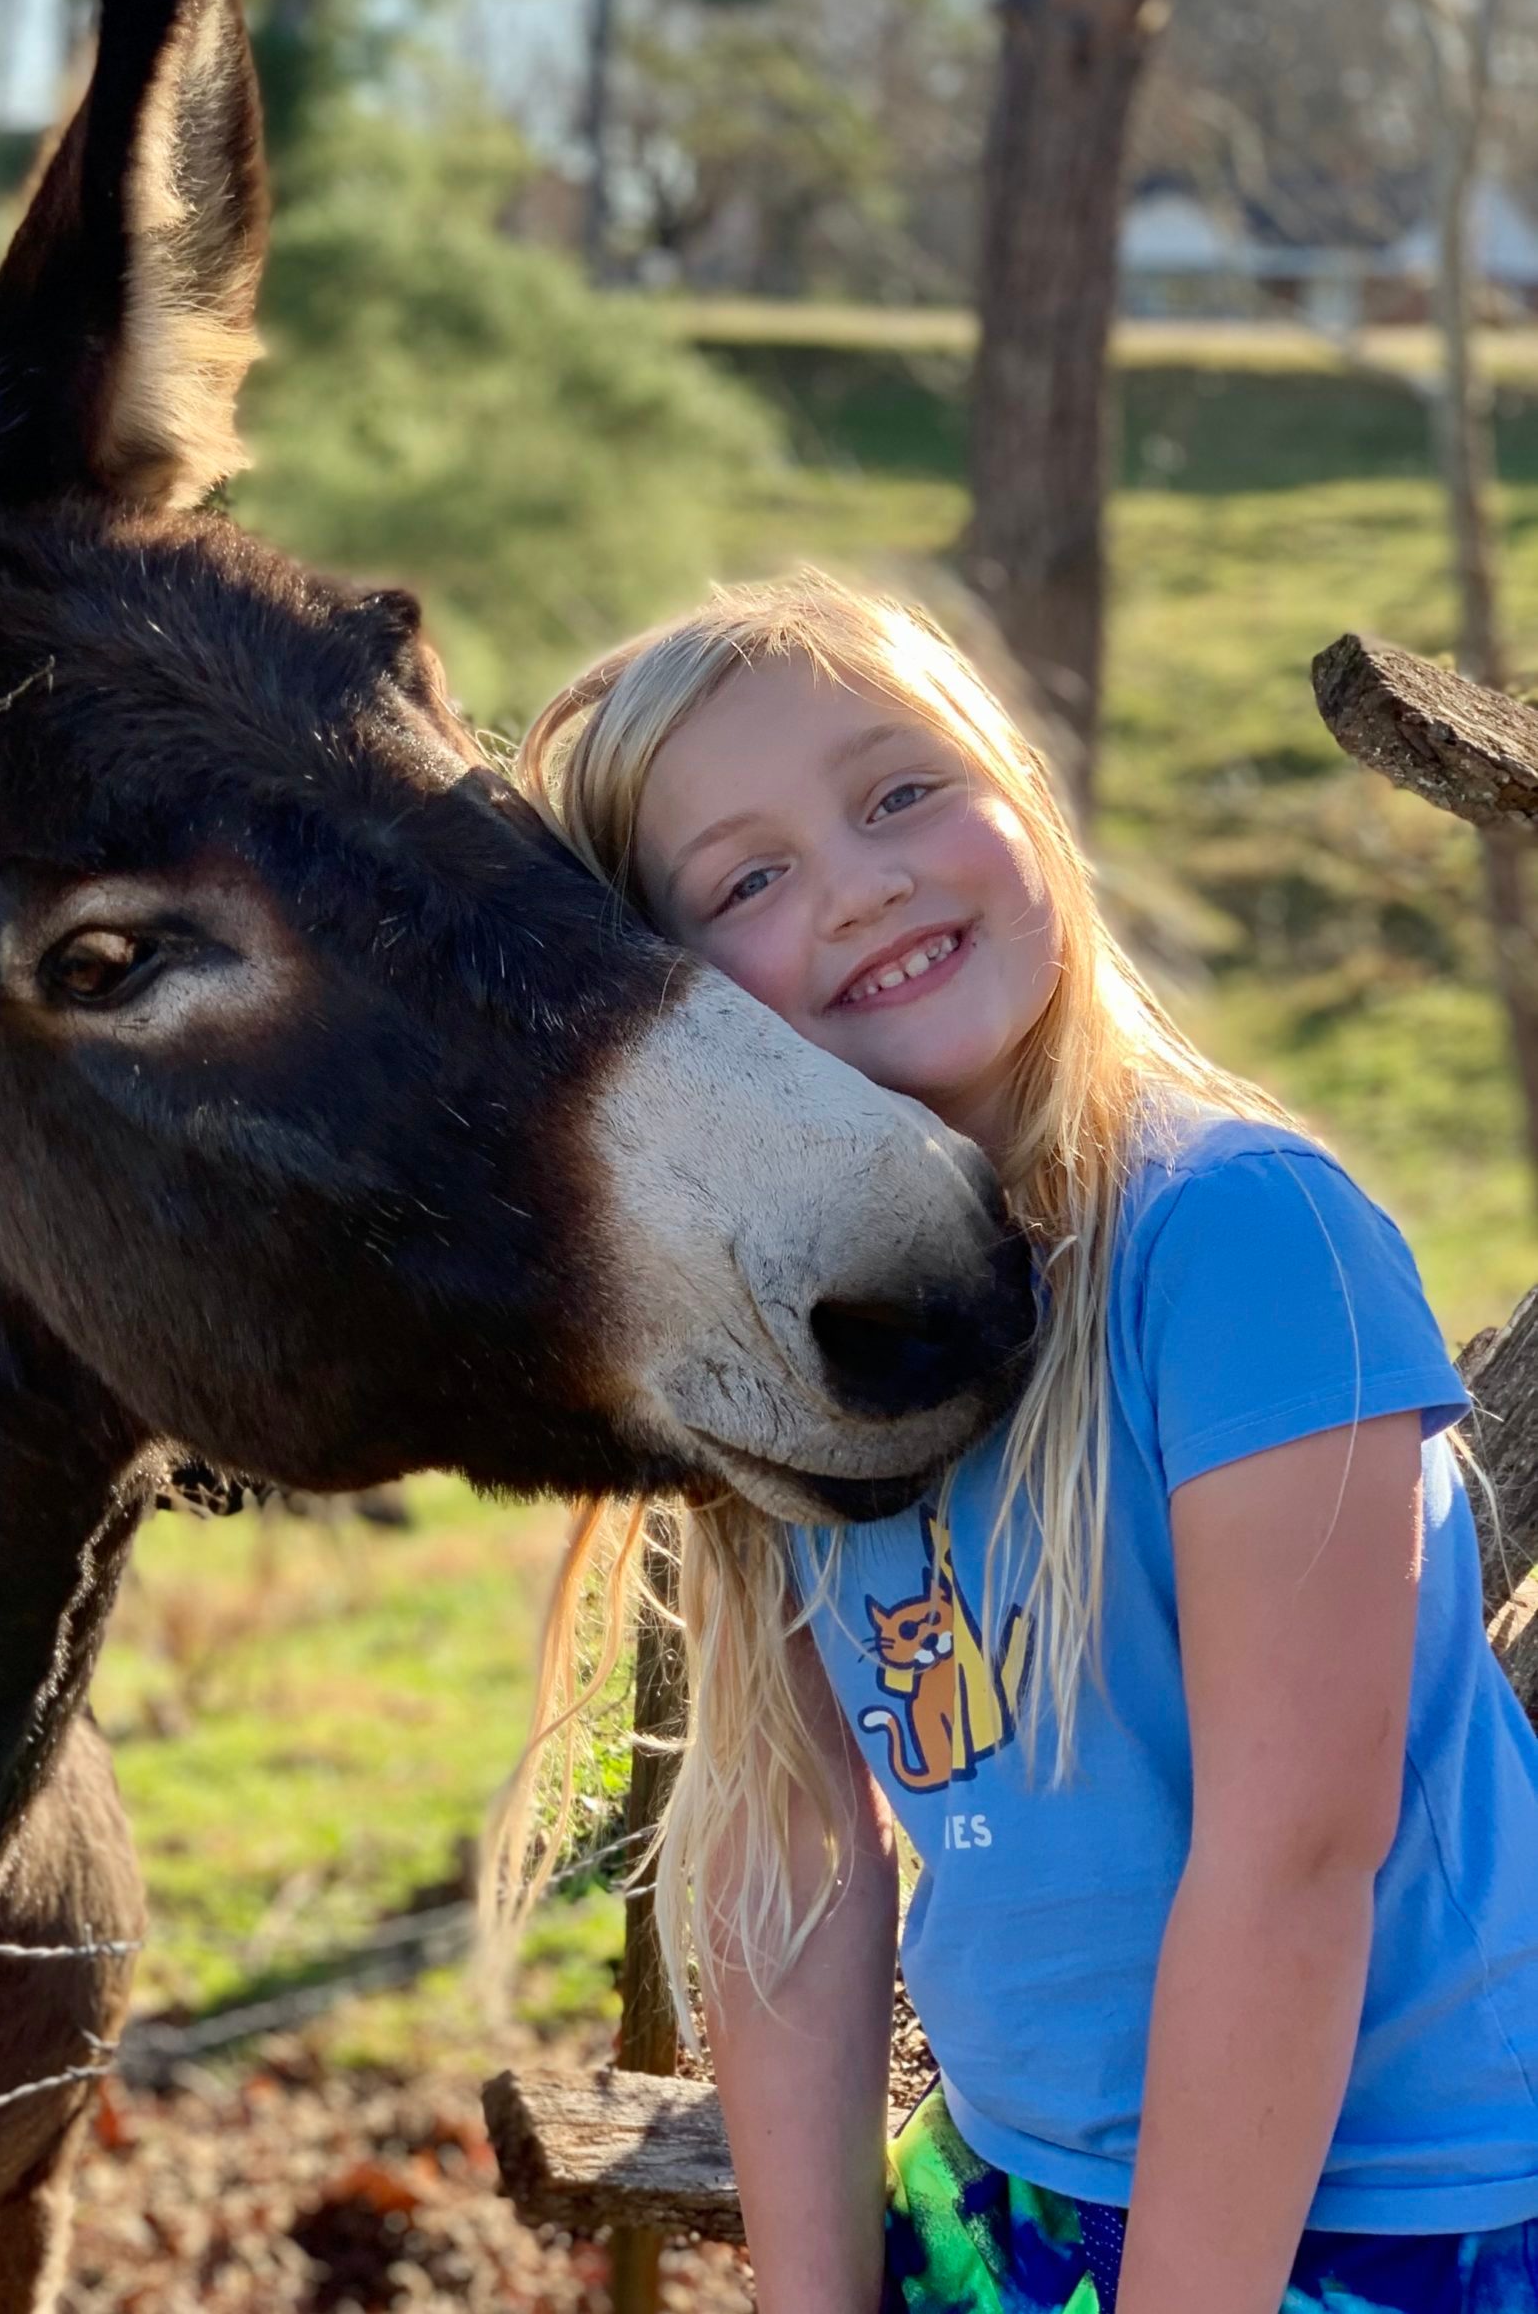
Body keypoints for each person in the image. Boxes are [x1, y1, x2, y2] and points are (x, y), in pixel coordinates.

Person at [494, 572, 1538, 2314]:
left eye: (900, 792)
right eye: (749, 878)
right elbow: (792, 1845)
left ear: (1020, 799)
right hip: (1014, 2191)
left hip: (1397, 2219)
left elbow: (1293, 1860)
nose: (864, 879)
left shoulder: (1238, 1243)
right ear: (676, 997)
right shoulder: (783, 1349)